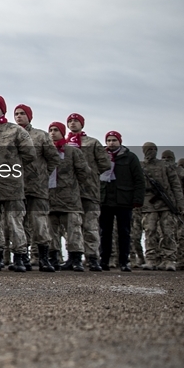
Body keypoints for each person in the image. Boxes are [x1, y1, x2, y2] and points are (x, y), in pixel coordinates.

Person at [0, 96, 36, 272]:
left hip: (11, 184)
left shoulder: (15, 131)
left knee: (14, 221)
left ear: (3, 110)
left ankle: (20, 256)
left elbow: (30, 155)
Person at [12, 104, 60, 271]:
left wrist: (42, 174)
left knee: (39, 222)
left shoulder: (40, 136)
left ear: (29, 116)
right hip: (16, 186)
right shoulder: (10, 134)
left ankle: (43, 258)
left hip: (37, 187)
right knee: (19, 223)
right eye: (16, 114)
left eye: (22, 114)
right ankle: (22, 257)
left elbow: (53, 158)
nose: (19, 116)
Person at [46, 122, 94, 271]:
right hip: (49, 198)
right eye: (50, 130)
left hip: (70, 198)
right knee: (50, 231)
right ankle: (53, 258)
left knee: (73, 230)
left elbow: (84, 173)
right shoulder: (45, 151)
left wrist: (75, 188)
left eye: (56, 130)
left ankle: (75, 259)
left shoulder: (73, 152)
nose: (53, 133)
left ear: (62, 132)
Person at [98, 131, 145, 271]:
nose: (111, 143)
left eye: (114, 140)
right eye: (109, 140)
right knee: (104, 232)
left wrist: (137, 199)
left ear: (119, 141)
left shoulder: (130, 157)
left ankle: (124, 262)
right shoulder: (102, 157)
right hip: (105, 200)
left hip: (124, 200)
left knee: (124, 232)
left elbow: (139, 180)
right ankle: (104, 261)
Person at [65, 114, 107, 271]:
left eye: (75, 121)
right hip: (69, 192)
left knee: (91, 226)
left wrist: (91, 175)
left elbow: (105, 164)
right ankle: (73, 257)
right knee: (72, 226)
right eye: (70, 121)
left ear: (81, 124)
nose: (73, 123)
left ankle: (93, 257)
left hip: (89, 191)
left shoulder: (92, 143)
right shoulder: (65, 144)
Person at [139, 142, 182, 271]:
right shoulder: (141, 166)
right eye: (149, 149)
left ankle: (169, 259)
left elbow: (176, 185)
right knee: (150, 231)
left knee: (168, 232)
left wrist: (179, 204)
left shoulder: (166, 166)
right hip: (148, 204)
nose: (152, 151)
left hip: (166, 204)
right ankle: (151, 259)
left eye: (154, 149)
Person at [162, 150, 184, 270]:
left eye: (169, 157)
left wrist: (182, 205)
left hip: (181, 210)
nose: (166, 159)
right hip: (165, 208)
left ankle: (182, 261)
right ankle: (166, 259)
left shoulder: (183, 173)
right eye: (164, 157)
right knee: (166, 234)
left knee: (181, 236)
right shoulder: (163, 172)